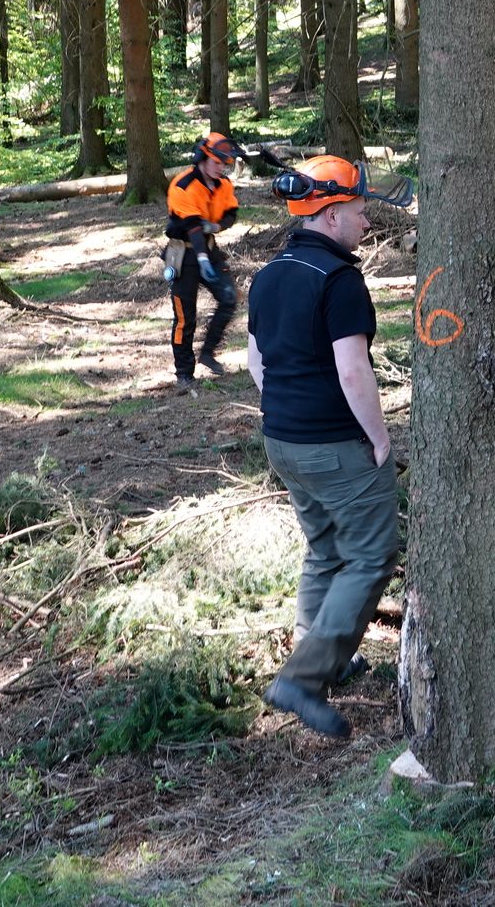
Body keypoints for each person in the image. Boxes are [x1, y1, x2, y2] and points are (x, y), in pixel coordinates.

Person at [247, 154, 400, 738]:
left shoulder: (270, 273)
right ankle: (302, 679)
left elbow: (257, 362)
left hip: (282, 440)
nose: (366, 224)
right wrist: (378, 439)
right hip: (335, 445)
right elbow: (352, 370)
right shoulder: (339, 280)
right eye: (360, 212)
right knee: (370, 555)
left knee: (325, 549)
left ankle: (317, 653)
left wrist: (286, 411)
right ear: (331, 214)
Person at [166, 132, 246, 392]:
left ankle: (208, 352)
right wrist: (200, 256)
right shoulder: (182, 185)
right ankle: (184, 374)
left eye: (225, 164)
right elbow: (192, 227)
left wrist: (217, 226)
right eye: (217, 162)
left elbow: (231, 214)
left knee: (229, 297)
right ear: (203, 158)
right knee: (184, 317)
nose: (222, 167)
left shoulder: (223, 185)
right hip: (184, 253)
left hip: (209, 248)